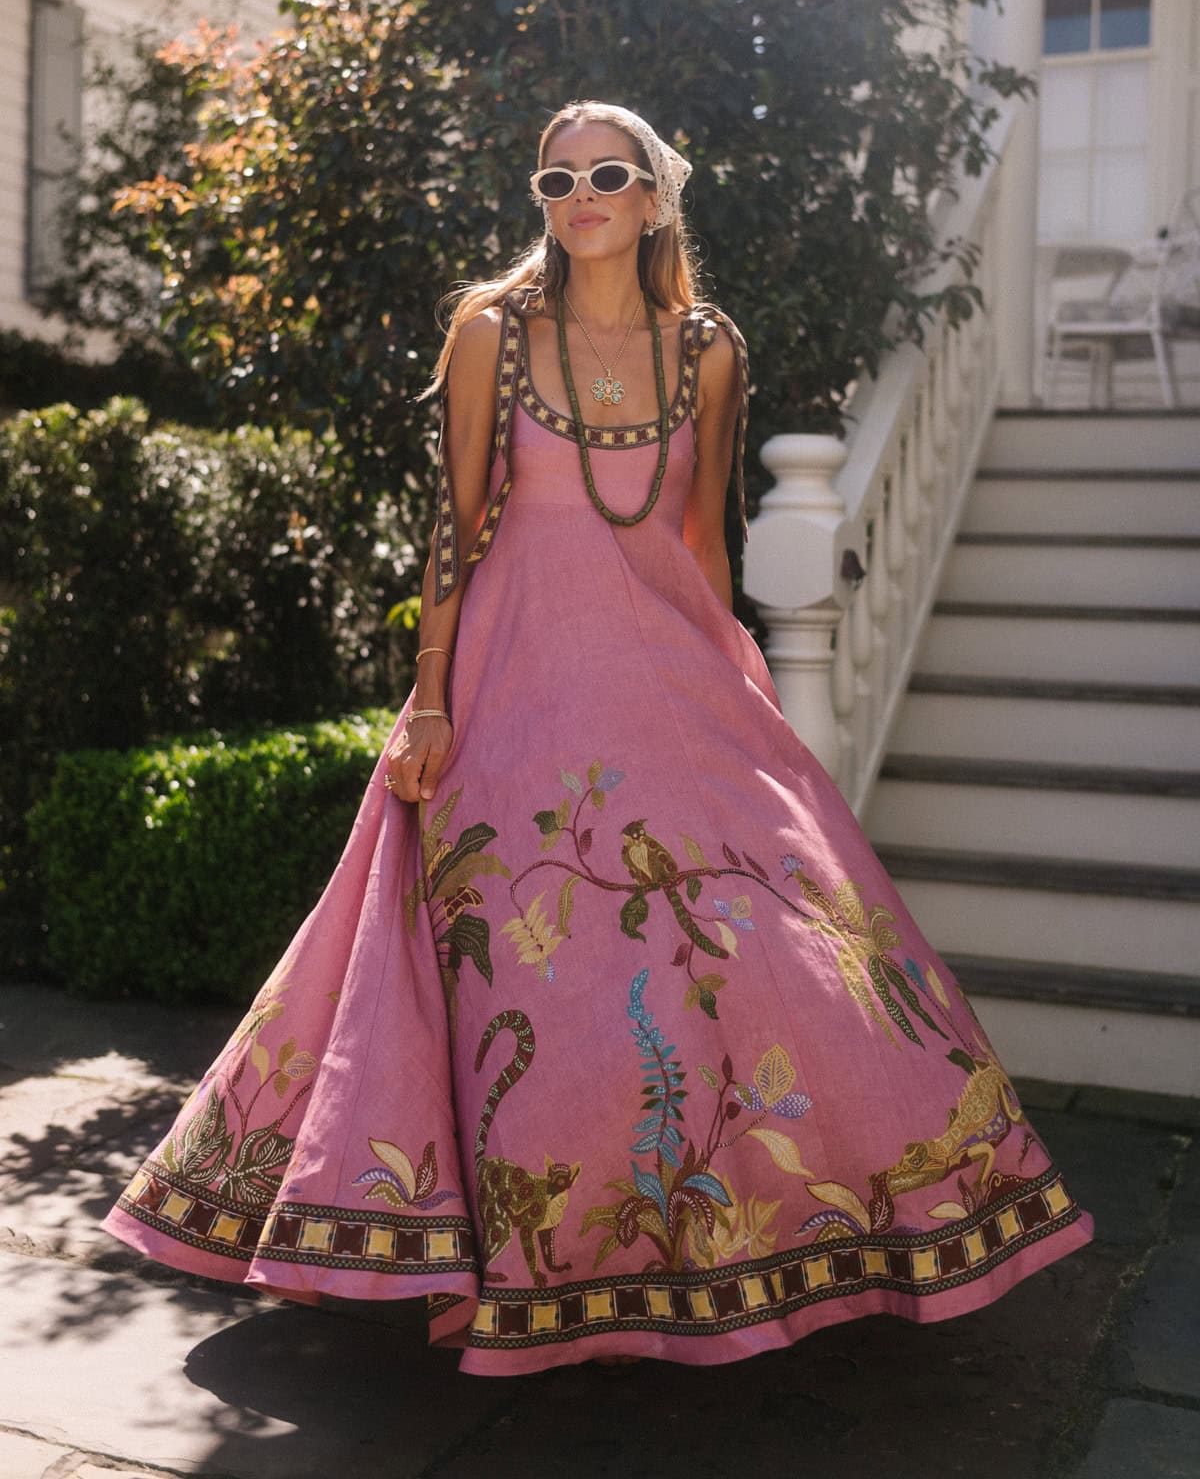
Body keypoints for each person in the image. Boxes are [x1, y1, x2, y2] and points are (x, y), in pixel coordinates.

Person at [102, 99, 1094, 1376]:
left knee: (780, 947)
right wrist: (429, 694)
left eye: (609, 174)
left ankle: (771, 1237)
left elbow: (700, 540)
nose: (582, 195)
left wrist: (735, 685)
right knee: (533, 972)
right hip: (517, 676)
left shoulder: (709, 350)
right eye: (557, 177)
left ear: (653, 197)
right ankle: (531, 1267)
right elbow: (458, 527)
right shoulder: (491, 334)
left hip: (666, 677)